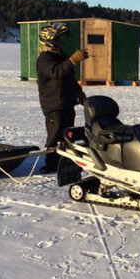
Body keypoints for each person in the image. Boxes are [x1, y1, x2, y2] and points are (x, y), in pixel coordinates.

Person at [36, 23, 89, 173]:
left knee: (67, 134)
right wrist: (72, 60)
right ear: (50, 41)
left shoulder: (60, 56)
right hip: (54, 105)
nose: (61, 42)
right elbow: (57, 72)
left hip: (66, 103)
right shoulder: (45, 59)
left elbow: (68, 77)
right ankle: (51, 163)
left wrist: (78, 92)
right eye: (58, 39)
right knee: (55, 135)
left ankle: (65, 159)